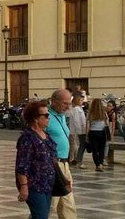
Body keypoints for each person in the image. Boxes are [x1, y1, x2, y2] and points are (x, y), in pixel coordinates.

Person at [15, 101, 62, 219]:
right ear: (36, 118)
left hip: (48, 184)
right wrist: (24, 187)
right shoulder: (27, 138)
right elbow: (22, 165)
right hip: (34, 186)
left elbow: (52, 160)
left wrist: (64, 179)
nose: (48, 118)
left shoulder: (46, 135)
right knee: (41, 216)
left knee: (41, 215)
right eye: (45, 116)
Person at [44, 89, 77, 218]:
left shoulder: (62, 115)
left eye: (69, 103)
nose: (67, 106)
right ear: (54, 101)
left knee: (68, 203)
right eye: (64, 103)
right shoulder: (46, 117)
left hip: (64, 164)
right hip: (53, 164)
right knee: (51, 204)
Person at [86, 98, 108, 172]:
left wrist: (87, 135)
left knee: (94, 150)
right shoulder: (104, 113)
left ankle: (97, 165)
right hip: (102, 132)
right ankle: (101, 164)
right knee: (102, 149)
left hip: (92, 132)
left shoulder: (90, 113)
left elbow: (88, 124)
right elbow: (106, 123)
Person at [66, 94, 87, 168]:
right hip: (79, 130)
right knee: (82, 145)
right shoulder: (76, 110)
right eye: (81, 100)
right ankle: (78, 160)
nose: (82, 102)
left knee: (81, 145)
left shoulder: (79, 109)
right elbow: (77, 121)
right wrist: (81, 131)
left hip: (81, 130)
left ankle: (77, 159)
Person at [104, 99, 117, 165]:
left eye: (110, 106)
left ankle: (105, 157)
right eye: (107, 105)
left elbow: (113, 124)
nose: (108, 107)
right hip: (103, 128)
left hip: (109, 129)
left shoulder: (113, 114)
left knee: (107, 144)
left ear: (113, 107)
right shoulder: (104, 112)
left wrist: (112, 134)